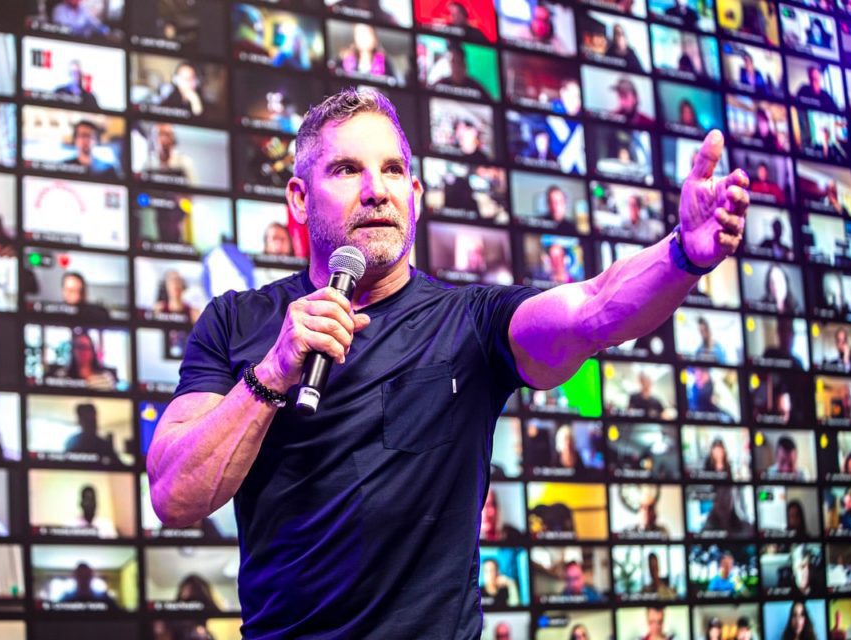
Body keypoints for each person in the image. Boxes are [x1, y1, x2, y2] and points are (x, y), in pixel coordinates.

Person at [146, 87, 750, 638]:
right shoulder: (236, 321)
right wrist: (272, 374)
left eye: (392, 170)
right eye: (347, 169)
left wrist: (682, 255)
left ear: (414, 196)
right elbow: (175, 496)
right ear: (300, 199)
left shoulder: (471, 322)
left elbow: (593, 309)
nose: (376, 189)